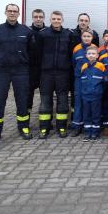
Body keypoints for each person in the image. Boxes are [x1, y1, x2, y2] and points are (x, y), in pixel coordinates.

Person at [0, 3, 34, 144]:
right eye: (10, 11)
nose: (12, 13)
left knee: (22, 100)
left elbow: (31, 50)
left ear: (19, 14)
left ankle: (24, 127)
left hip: (21, 70)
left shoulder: (26, 31)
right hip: (3, 71)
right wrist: (2, 59)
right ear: (5, 12)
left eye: (15, 11)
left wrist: (22, 60)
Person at [37, 11, 73, 139]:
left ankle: (61, 127)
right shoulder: (42, 34)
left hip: (62, 73)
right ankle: (44, 128)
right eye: (54, 18)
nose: (56, 20)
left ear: (62, 20)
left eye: (58, 18)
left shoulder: (68, 34)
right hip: (46, 73)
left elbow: (70, 55)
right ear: (50, 19)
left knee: (62, 101)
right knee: (45, 101)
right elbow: (37, 54)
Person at [70, 29, 94, 137]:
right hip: (79, 80)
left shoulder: (94, 48)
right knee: (78, 103)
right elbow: (73, 63)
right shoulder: (77, 49)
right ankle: (77, 126)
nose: (86, 38)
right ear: (81, 37)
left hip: (91, 80)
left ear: (92, 38)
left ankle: (88, 125)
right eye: (84, 36)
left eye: (89, 36)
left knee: (89, 103)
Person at [81, 46, 106, 141]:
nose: (91, 55)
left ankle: (95, 133)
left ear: (97, 55)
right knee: (87, 114)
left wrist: (99, 91)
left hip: (96, 95)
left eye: (93, 54)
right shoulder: (84, 66)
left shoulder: (100, 66)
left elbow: (105, 81)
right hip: (85, 95)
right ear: (86, 55)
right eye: (89, 54)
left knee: (96, 114)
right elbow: (81, 81)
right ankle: (88, 132)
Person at [27, 8, 45, 116]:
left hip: (44, 70)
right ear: (32, 18)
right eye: (36, 17)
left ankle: (46, 121)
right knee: (28, 96)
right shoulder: (27, 31)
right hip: (30, 70)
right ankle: (25, 121)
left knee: (45, 97)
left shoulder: (48, 31)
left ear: (43, 18)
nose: (38, 19)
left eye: (40, 17)